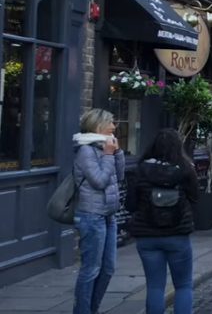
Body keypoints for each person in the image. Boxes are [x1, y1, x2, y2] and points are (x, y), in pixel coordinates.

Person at [127, 129, 198, 314]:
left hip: (147, 236)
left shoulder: (139, 170)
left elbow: (130, 205)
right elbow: (196, 197)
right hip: (178, 234)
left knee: (155, 287)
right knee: (183, 285)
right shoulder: (185, 169)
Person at [72, 109, 125, 314]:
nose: (113, 126)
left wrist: (117, 152)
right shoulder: (86, 150)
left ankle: (92, 309)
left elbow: (118, 177)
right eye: (110, 122)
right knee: (91, 269)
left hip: (108, 214)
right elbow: (100, 181)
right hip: (91, 214)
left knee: (108, 268)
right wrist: (109, 155)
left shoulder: (105, 147)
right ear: (97, 125)